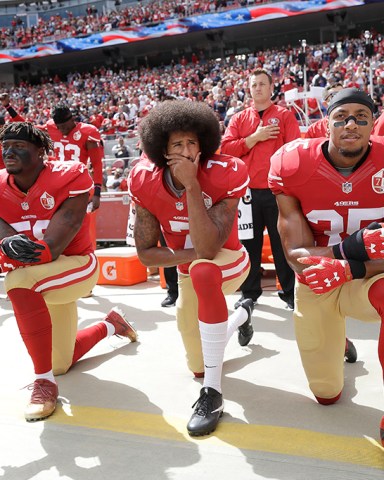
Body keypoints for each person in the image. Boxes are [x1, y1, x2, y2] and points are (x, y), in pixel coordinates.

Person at [128, 100, 254, 437]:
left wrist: (193, 185)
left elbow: (210, 249)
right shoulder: (144, 179)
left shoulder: (226, 171)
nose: (186, 151)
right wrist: (188, 255)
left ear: (205, 145)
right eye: (177, 145)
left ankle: (212, 394)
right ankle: (241, 315)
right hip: (188, 269)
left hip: (229, 262)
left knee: (203, 269)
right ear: (161, 150)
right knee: (197, 364)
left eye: (192, 143)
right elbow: (146, 255)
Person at [268, 88, 384, 447]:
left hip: (373, 275)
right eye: (342, 117)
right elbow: (296, 255)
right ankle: (340, 351)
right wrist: (349, 249)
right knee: (326, 394)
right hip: (317, 278)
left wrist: (350, 268)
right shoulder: (293, 163)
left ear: (372, 125)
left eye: (361, 117)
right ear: (326, 123)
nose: (351, 124)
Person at [0, 122, 137, 422]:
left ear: (41, 153)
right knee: (60, 361)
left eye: (19, 146)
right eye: (6, 145)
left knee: (18, 281)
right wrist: (5, 240)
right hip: (42, 281)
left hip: (76, 267)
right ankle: (112, 325)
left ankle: (44, 384)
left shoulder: (69, 174)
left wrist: (20, 249)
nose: (9, 151)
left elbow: (54, 245)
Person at [221, 68, 300, 310]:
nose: (257, 88)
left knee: (281, 243)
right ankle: (249, 293)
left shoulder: (285, 116)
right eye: (254, 84)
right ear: (249, 88)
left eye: (262, 84)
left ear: (271, 87)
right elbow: (227, 149)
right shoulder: (239, 119)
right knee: (249, 244)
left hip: (277, 192)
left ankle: (289, 293)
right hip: (246, 193)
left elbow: (295, 149)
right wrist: (254, 137)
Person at [2, 97, 104, 212]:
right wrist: (8, 106)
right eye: (58, 127)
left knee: (78, 222)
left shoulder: (87, 132)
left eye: (64, 126)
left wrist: (97, 193)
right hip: (58, 180)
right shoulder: (51, 127)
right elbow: (27, 127)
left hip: (77, 181)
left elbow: (97, 164)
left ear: (72, 119)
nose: (61, 130)